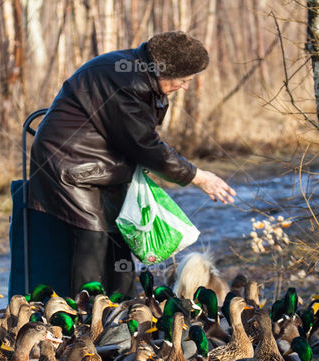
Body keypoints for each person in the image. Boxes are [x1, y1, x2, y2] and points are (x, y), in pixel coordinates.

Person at [21, 31, 236, 297]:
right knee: (94, 238)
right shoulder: (127, 81)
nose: (186, 87)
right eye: (183, 80)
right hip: (71, 166)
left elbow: (138, 139)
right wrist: (198, 176)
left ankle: (121, 308)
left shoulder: (141, 76)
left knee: (121, 238)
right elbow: (144, 144)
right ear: (164, 71)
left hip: (103, 166)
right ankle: (86, 316)